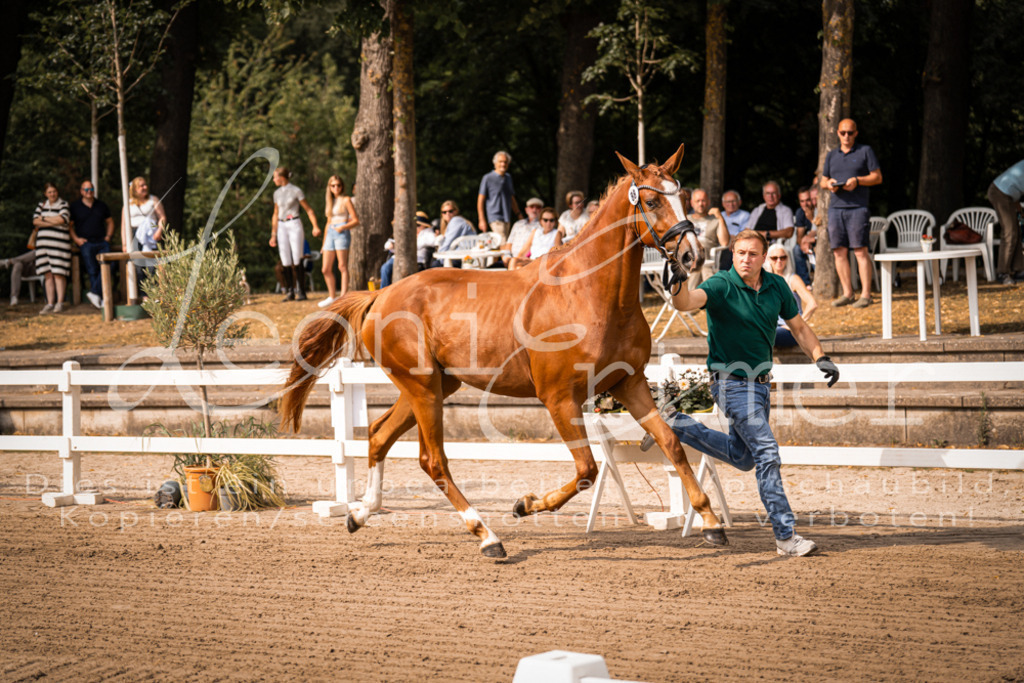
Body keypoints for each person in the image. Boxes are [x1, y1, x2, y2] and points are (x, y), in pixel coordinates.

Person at [666, 229, 839, 556]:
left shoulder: (776, 287)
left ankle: (676, 424)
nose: (746, 259)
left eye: (753, 254)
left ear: (763, 257)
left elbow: (798, 327)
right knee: (767, 453)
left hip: (760, 385)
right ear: (733, 254)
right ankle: (785, 536)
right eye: (741, 253)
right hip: (730, 383)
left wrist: (821, 357)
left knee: (744, 457)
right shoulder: (720, 284)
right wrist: (678, 283)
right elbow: (688, 303)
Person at [821, 118, 883, 308]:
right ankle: (848, 293)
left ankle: (866, 294)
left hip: (858, 208)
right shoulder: (832, 155)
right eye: (843, 132)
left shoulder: (865, 151)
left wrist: (857, 180)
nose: (846, 136)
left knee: (860, 251)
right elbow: (822, 181)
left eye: (850, 132)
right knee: (839, 252)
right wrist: (829, 184)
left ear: (856, 133)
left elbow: (877, 177)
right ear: (837, 133)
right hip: (835, 208)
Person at [269, 167, 320, 301]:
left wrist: (315, 226)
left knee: (297, 257)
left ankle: (302, 291)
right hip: (281, 224)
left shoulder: (296, 191)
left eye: (275, 177)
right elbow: (275, 213)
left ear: (282, 177)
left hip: (294, 223)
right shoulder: (277, 193)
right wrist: (273, 233)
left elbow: (308, 210)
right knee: (285, 258)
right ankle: (290, 291)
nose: (273, 180)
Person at [69, 179, 115, 309]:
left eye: (91, 189)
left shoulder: (101, 205)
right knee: (92, 269)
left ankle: (95, 293)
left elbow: (110, 222)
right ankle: (99, 298)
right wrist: (76, 240)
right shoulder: (75, 207)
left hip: (102, 242)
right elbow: (69, 226)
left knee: (109, 265)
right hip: (86, 243)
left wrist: (108, 237)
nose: (89, 192)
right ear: (82, 191)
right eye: (87, 190)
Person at [765, 243, 817, 347]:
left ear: (787, 259)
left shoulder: (793, 280)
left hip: (790, 330)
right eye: (774, 258)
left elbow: (812, 304)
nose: (779, 261)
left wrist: (796, 325)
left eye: (782, 257)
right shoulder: (764, 281)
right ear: (768, 260)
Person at [319, 175, 360, 308]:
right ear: (329, 187)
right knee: (325, 269)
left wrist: (343, 227)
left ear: (342, 187)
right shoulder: (330, 201)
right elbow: (327, 223)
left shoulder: (346, 200)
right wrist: (324, 243)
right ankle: (332, 296)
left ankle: (343, 296)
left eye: (338, 185)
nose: (336, 188)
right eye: (333, 185)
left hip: (341, 232)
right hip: (330, 233)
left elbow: (355, 220)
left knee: (342, 266)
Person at [33, 182, 72, 314]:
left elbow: (63, 220)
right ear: (45, 194)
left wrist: (43, 218)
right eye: (49, 192)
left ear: (57, 192)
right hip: (43, 246)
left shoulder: (63, 204)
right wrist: (54, 219)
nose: (52, 194)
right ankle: (50, 303)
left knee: (59, 273)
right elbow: (35, 221)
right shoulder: (41, 205)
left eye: (54, 191)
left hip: (59, 246)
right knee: (48, 274)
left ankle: (60, 302)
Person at [124, 177, 167, 296]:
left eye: (145, 185)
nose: (145, 188)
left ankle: (156, 294)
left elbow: (162, 217)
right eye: (141, 186)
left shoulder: (153, 200)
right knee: (138, 266)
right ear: (135, 189)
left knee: (152, 266)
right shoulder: (128, 203)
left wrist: (159, 231)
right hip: (134, 235)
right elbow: (124, 224)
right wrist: (124, 243)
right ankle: (144, 296)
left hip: (151, 235)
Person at [987, 160, 1024, 285]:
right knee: (1010, 232)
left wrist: (1018, 206)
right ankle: (1002, 273)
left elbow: (1017, 185)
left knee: (1016, 231)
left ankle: (1019, 270)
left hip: (1009, 194)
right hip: (1000, 192)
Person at [687, 188, 730, 287]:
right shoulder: (686, 219)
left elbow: (724, 242)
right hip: (689, 258)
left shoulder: (715, 220)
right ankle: (710, 292)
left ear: (708, 202)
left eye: (703, 200)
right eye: (697, 201)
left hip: (707, 259)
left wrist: (720, 217)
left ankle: (691, 295)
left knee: (702, 265)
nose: (700, 204)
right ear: (692, 203)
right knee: (702, 266)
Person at [476, 151, 522, 240]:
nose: (503, 164)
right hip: (494, 216)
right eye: (500, 161)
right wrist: (481, 219)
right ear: (495, 163)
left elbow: (511, 198)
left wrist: (519, 214)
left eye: (505, 162)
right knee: (502, 242)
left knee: (506, 243)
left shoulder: (508, 178)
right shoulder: (488, 178)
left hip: (507, 216)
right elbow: (480, 200)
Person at [502, 197, 542, 267]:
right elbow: (509, 244)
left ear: (542, 210)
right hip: (511, 259)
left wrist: (517, 259)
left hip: (527, 260)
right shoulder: (518, 224)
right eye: (532, 207)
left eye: (538, 207)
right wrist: (506, 257)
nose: (534, 210)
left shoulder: (543, 226)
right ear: (526, 210)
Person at [436, 200, 476, 265]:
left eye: (450, 211)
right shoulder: (458, 221)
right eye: (444, 212)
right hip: (468, 258)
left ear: (456, 211)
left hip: (464, 258)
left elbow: (448, 242)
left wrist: (439, 257)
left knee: (435, 264)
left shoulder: (456, 220)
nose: (447, 214)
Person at [792, 186, 817, 286]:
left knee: (815, 250)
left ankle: (819, 281)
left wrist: (811, 219)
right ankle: (805, 284)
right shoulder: (800, 212)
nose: (805, 204)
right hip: (807, 242)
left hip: (820, 241)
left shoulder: (818, 209)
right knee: (797, 249)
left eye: (807, 200)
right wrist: (803, 244)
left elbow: (819, 230)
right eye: (802, 201)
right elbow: (800, 234)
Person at [1, 242, 37, 307]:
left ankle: (9, 261)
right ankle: (14, 297)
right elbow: (31, 245)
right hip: (26, 265)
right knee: (17, 265)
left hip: (37, 268)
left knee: (36, 252)